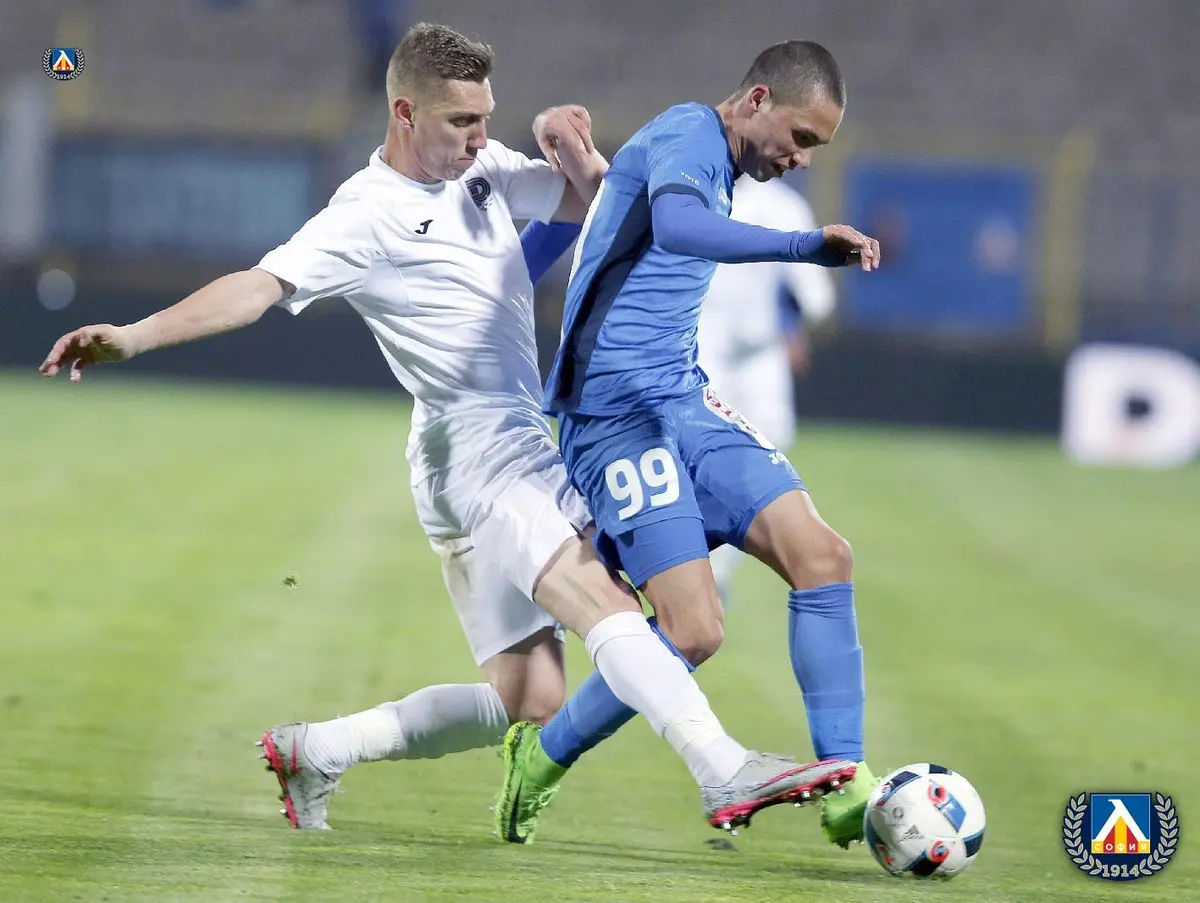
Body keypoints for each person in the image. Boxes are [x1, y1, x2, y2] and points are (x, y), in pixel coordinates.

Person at [39, 24, 853, 833]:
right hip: (477, 452)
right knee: (609, 603)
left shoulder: (484, 170)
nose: (479, 137)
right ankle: (721, 767)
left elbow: (599, 209)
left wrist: (562, 142)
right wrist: (134, 335)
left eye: (486, 117)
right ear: (404, 112)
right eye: (461, 121)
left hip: (482, 451)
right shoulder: (365, 214)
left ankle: (316, 748)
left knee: (529, 695)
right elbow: (256, 288)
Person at [496, 39, 881, 849]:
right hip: (612, 416)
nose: (803, 159)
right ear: (757, 99)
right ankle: (543, 752)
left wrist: (576, 151)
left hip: (683, 396)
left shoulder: (713, 159)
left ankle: (846, 780)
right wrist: (804, 246)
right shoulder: (687, 132)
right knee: (694, 630)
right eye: (801, 137)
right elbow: (674, 227)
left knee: (824, 556)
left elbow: (626, 210)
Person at [697, 174, 835, 603]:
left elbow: (816, 297)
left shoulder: (782, 206)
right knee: (707, 459)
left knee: (771, 450)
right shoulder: (696, 195)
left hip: (762, 351)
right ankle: (699, 569)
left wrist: (789, 322)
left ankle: (717, 568)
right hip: (702, 346)